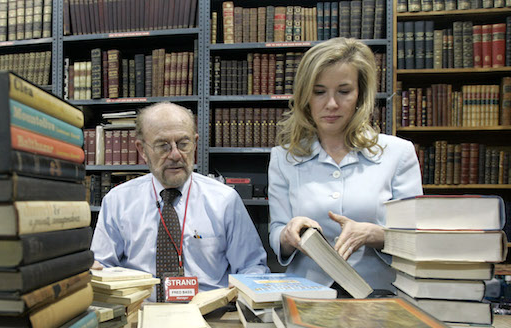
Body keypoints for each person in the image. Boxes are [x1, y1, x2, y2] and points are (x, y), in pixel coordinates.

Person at [268, 38, 423, 292]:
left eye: (343, 91)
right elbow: (277, 232)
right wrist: (288, 235)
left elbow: (415, 238)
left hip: (379, 295)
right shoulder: (283, 158)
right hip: (307, 293)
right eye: (319, 92)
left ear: (360, 94)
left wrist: (373, 235)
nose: (331, 104)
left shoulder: (398, 153)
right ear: (305, 96)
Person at [92, 102, 269, 301]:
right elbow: (101, 267)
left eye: (183, 144)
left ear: (195, 143)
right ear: (142, 150)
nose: (176, 155)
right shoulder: (117, 202)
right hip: (141, 314)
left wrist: (243, 286)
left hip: (210, 315)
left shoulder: (225, 200)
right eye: (163, 146)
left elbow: (252, 266)